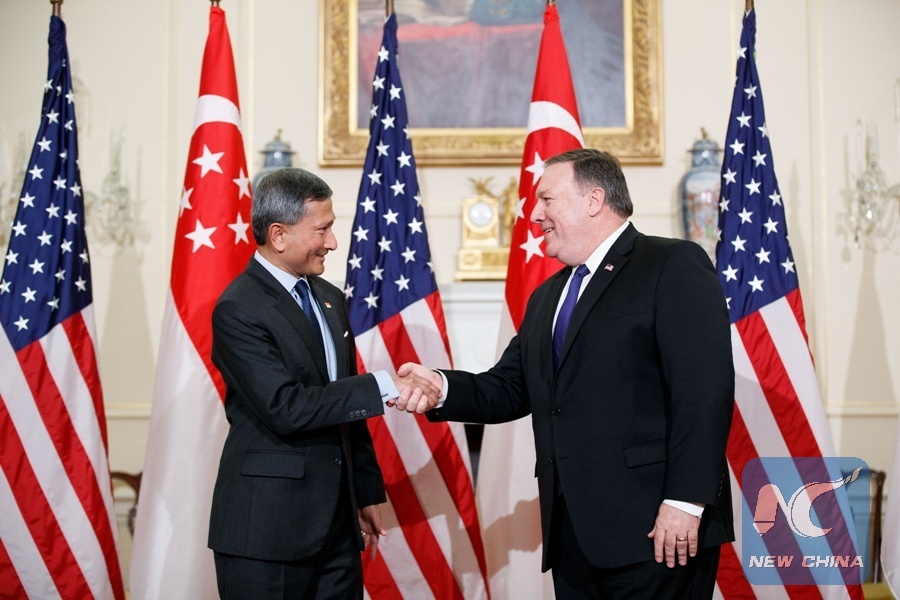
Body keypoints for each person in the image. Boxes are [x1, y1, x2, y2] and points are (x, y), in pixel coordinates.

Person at [398, 148, 735, 599]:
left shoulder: (670, 264)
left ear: (593, 200)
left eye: (546, 199)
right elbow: (510, 387)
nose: (535, 214)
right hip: (574, 539)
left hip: (657, 530)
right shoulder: (548, 296)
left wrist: (685, 502)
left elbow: (703, 393)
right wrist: (440, 387)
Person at [207, 168, 440, 599]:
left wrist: (365, 492)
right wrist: (383, 385)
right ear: (278, 235)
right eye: (322, 229)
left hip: (337, 529)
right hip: (267, 534)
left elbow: (345, 406)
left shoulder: (329, 298)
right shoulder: (239, 308)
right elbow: (286, 407)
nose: (333, 242)